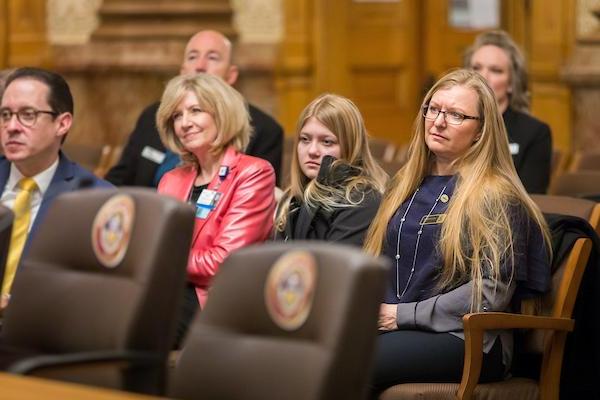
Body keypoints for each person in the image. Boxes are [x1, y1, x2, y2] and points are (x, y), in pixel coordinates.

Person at [363, 69, 551, 394]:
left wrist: (401, 315)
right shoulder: (404, 184)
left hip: (468, 339)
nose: (437, 122)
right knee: (314, 352)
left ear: (480, 132)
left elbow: (490, 294)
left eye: (455, 115)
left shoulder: (496, 195)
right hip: (398, 328)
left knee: (351, 361)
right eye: (433, 109)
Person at [156, 73, 275, 345]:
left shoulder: (253, 173)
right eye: (177, 115)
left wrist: (161, 260)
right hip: (169, 291)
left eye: (195, 111)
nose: (185, 123)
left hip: (217, 303)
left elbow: (223, 262)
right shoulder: (171, 180)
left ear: (221, 114)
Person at [105, 29, 284, 187]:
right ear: (183, 72)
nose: (200, 66)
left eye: (212, 57)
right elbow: (120, 177)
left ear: (231, 75)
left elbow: (260, 196)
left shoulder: (265, 130)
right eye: (192, 57)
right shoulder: (154, 115)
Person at [0, 67, 112, 309]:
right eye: (6, 114)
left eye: (27, 115)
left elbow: (97, 295)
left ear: (62, 124)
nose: (11, 126)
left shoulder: (96, 199)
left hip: (40, 336)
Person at [274, 94, 387, 246]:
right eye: (305, 139)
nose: (312, 150)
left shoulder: (362, 199)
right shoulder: (291, 199)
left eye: (327, 142)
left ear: (350, 146)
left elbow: (336, 267)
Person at [464, 30, 552, 194]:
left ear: (512, 83)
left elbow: (530, 199)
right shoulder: (451, 123)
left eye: (496, 70)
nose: (483, 77)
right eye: (476, 67)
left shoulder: (535, 132)